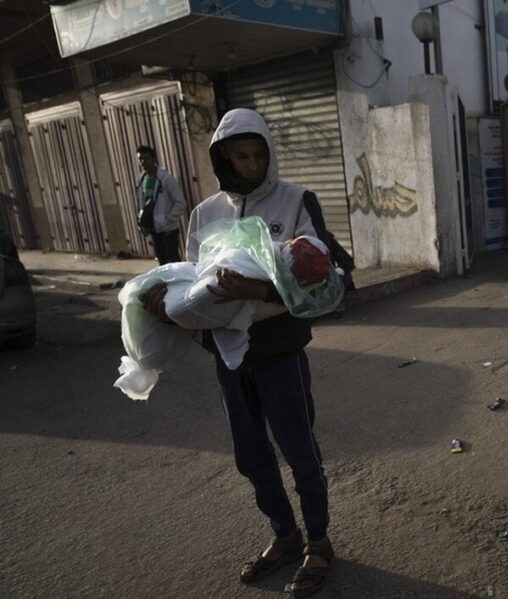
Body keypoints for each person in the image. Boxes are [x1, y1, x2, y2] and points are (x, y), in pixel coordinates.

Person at [139, 109, 334, 597]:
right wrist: (167, 309)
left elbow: (322, 278)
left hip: (279, 348)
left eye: (257, 155)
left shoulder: (296, 200)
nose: (250, 165)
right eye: (240, 156)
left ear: (269, 153)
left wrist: (259, 290)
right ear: (222, 158)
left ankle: (318, 541)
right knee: (251, 455)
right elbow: (193, 282)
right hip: (228, 353)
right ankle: (284, 536)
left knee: (299, 449)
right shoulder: (205, 214)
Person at [135, 145, 187, 265]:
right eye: (140, 158)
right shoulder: (141, 180)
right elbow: (142, 203)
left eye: (146, 158)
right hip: (154, 228)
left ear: (153, 159)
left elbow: (180, 202)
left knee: (174, 262)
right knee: (162, 263)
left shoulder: (166, 179)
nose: (143, 162)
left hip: (168, 229)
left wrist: (167, 219)